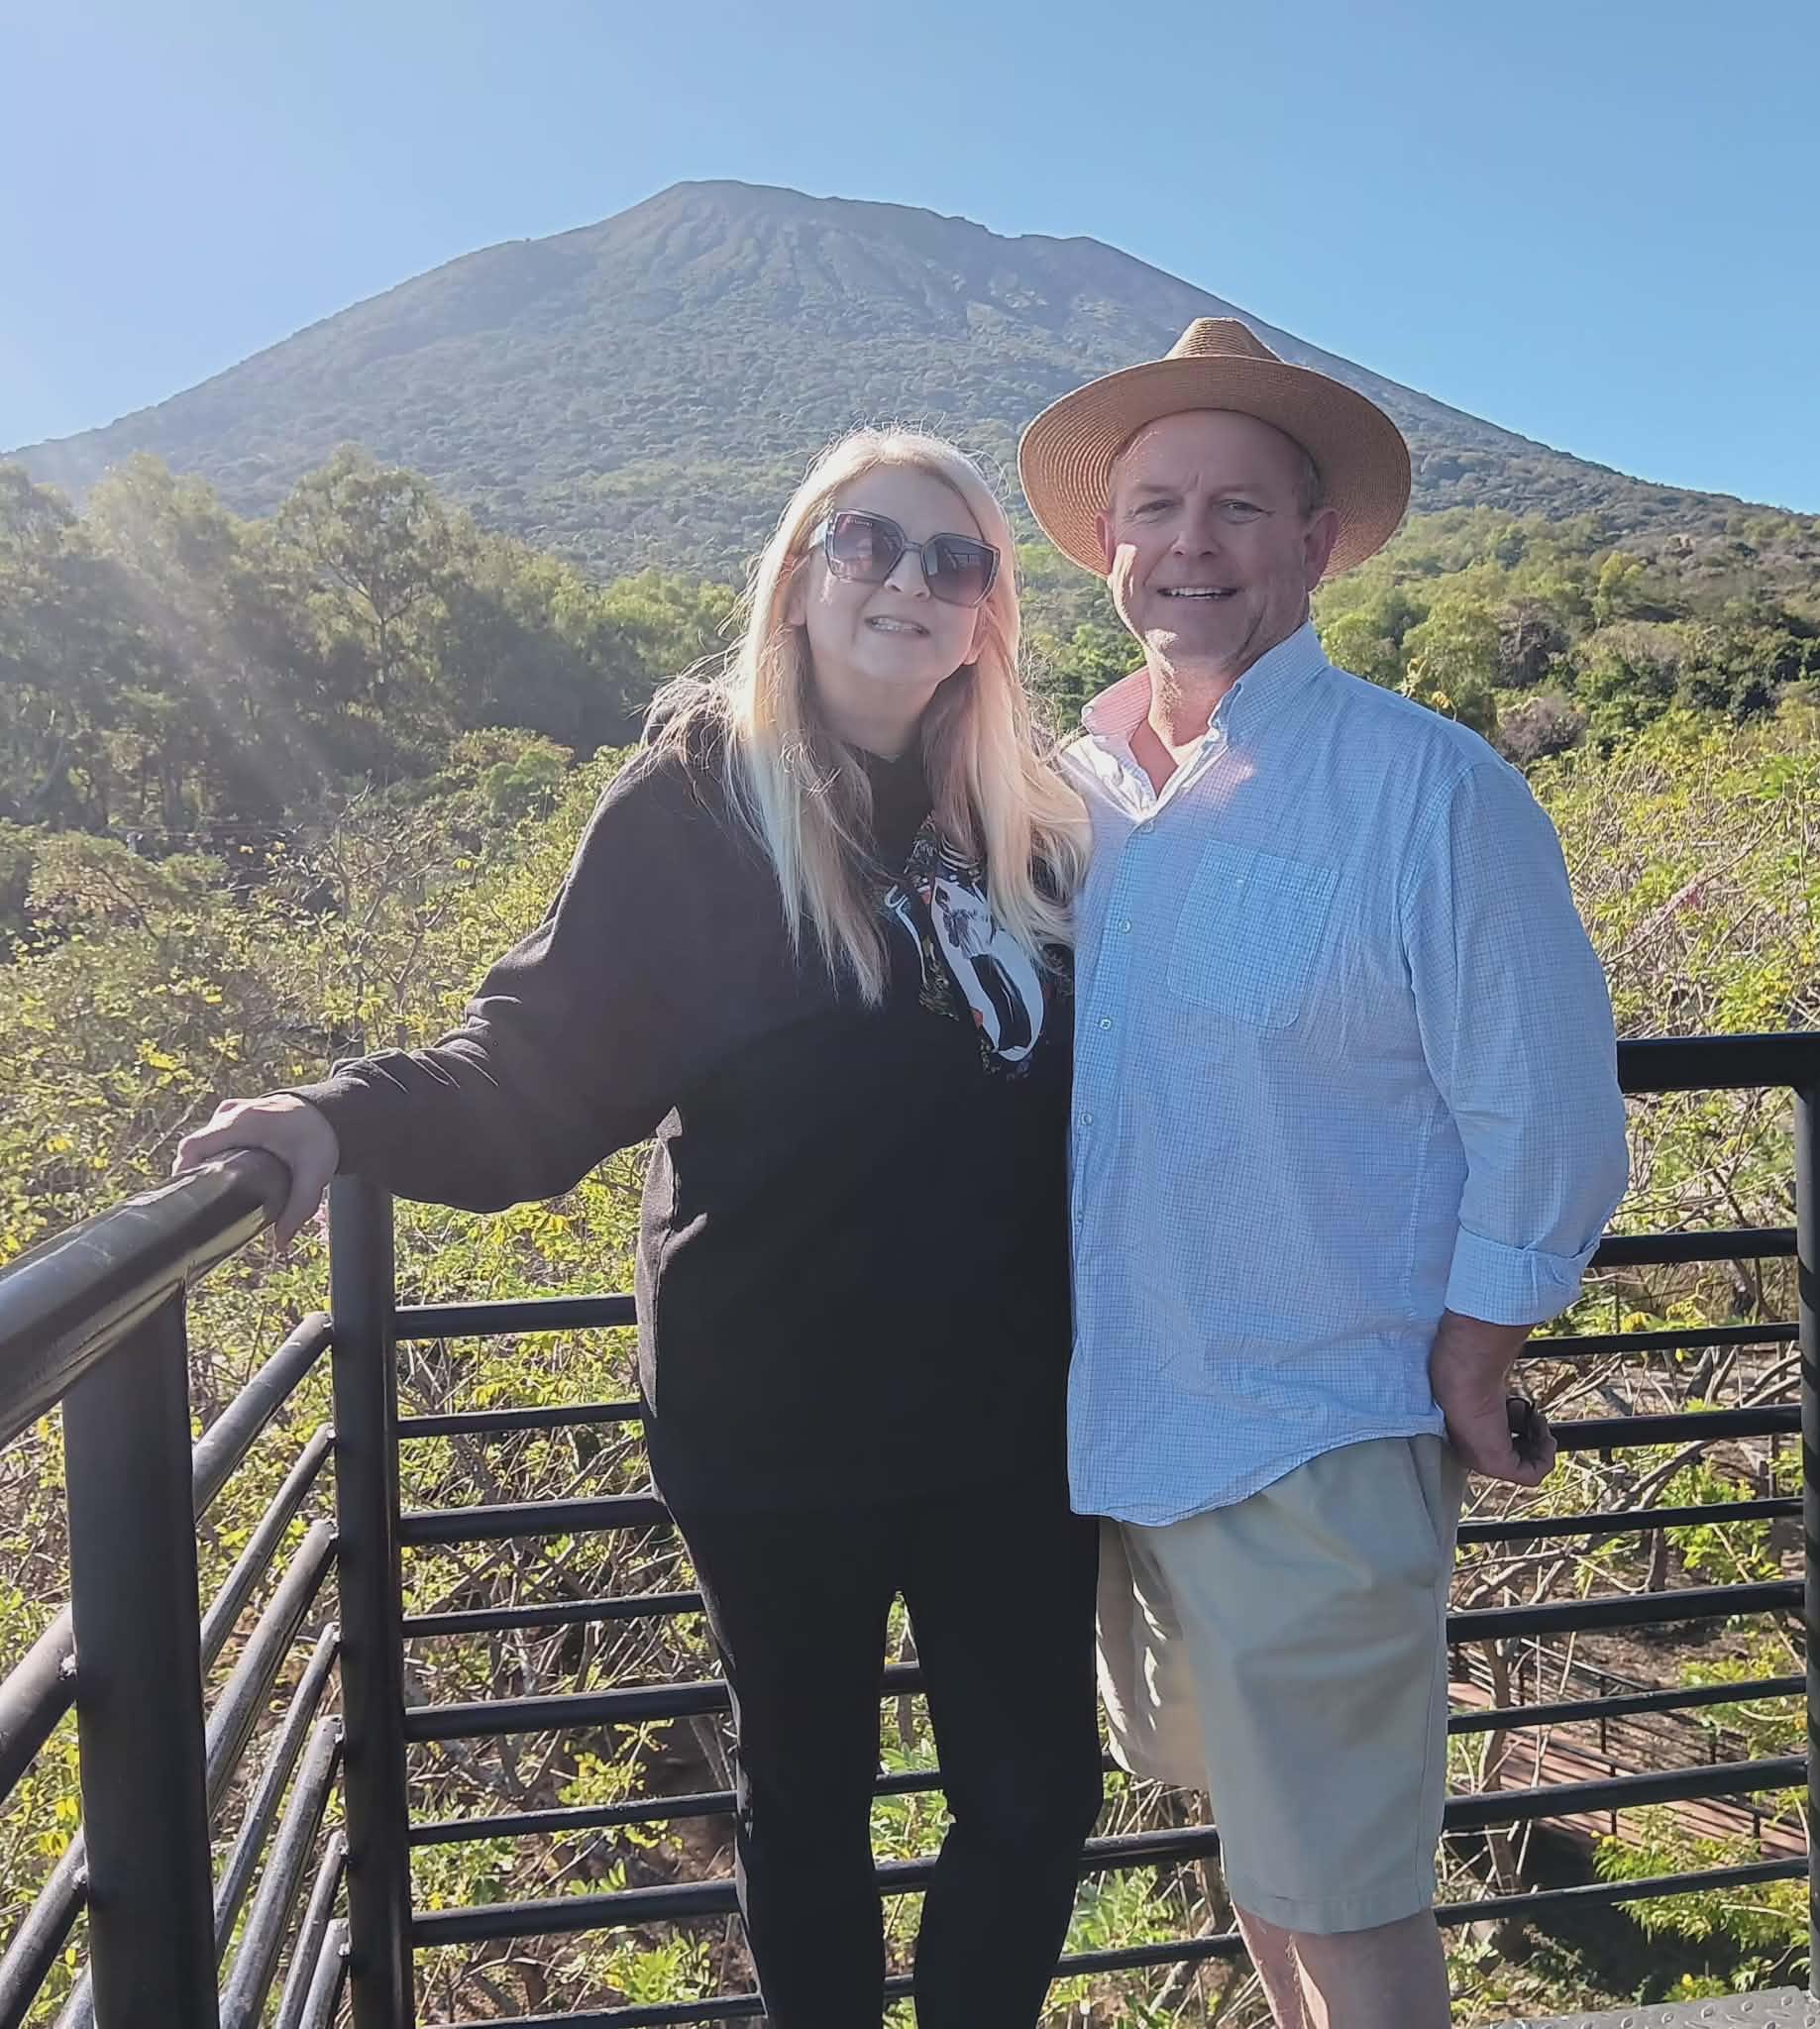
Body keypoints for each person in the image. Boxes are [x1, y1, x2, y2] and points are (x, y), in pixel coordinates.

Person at [175, 430, 1103, 2028]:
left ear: (986, 619)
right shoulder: (696, 809)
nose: (908, 579)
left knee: (1034, 1795)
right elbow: (538, 1067)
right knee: (807, 1796)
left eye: (955, 560)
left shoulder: (1031, 826)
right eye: (868, 541)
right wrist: (335, 1118)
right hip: (778, 1422)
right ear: (798, 576)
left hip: (1011, 1420)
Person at [1017, 320, 1631, 2029]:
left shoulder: (1427, 791)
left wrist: (1476, 1354)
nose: (1191, 545)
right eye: (1157, 508)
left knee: (1347, 1910)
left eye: (1236, 507)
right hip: (1121, 1428)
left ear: (1316, 540)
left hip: (1316, 1431)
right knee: (1260, 1859)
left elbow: (1550, 1113)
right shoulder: (1068, 793)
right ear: (1108, 542)